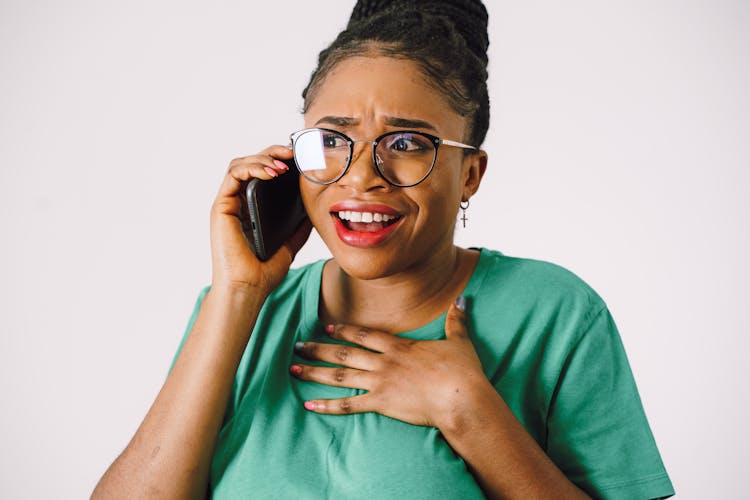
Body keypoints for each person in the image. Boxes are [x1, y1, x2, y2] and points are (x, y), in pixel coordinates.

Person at [93, 1, 675, 498]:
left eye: (405, 142)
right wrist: (237, 295)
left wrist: (466, 408)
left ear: (470, 173)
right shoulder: (239, 310)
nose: (360, 177)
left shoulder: (555, 313)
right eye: (332, 139)